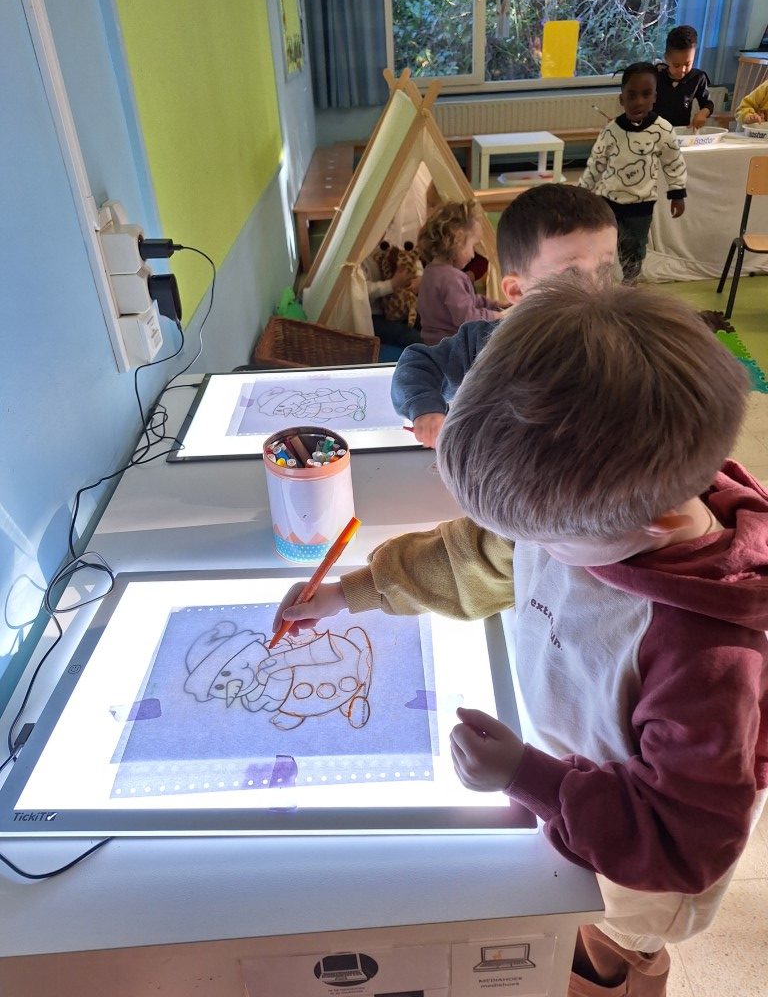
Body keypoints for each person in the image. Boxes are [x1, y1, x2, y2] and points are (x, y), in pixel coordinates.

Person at [274, 278, 768, 997]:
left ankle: (618, 977)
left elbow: (678, 841)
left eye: (545, 541)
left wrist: (528, 777)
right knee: (556, 921)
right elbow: (475, 558)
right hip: (572, 792)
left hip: (638, 871)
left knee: (605, 944)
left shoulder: (708, 658)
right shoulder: (596, 510)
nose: (528, 549)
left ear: (654, 525)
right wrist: (352, 593)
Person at [392, 183, 618, 448]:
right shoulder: (486, 343)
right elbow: (418, 365)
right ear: (516, 290)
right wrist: (426, 409)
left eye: (605, 270)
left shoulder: (620, 339)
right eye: (571, 275)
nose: (595, 289)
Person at [579, 62, 687, 282]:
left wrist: (677, 193)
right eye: (632, 95)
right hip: (608, 202)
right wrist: (581, 193)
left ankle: (629, 285)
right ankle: (601, 284)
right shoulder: (611, 131)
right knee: (603, 245)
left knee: (634, 248)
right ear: (622, 99)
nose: (639, 102)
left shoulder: (663, 130)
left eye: (646, 94)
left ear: (655, 96)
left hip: (640, 206)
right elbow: (596, 164)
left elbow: (673, 162)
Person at [416, 200, 507, 345]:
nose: (473, 255)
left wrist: (496, 304)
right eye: (473, 246)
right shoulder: (452, 278)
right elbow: (468, 318)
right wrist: (498, 315)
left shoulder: (430, 272)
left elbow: (469, 300)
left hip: (432, 344)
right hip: (453, 347)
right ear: (458, 239)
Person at [654, 25, 714, 130]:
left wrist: (703, 113)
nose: (682, 70)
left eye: (687, 64)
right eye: (676, 65)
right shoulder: (655, 76)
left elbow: (708, 104)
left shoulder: (697, 78)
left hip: (680, 132)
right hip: (655, 131)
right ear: (666, 58)